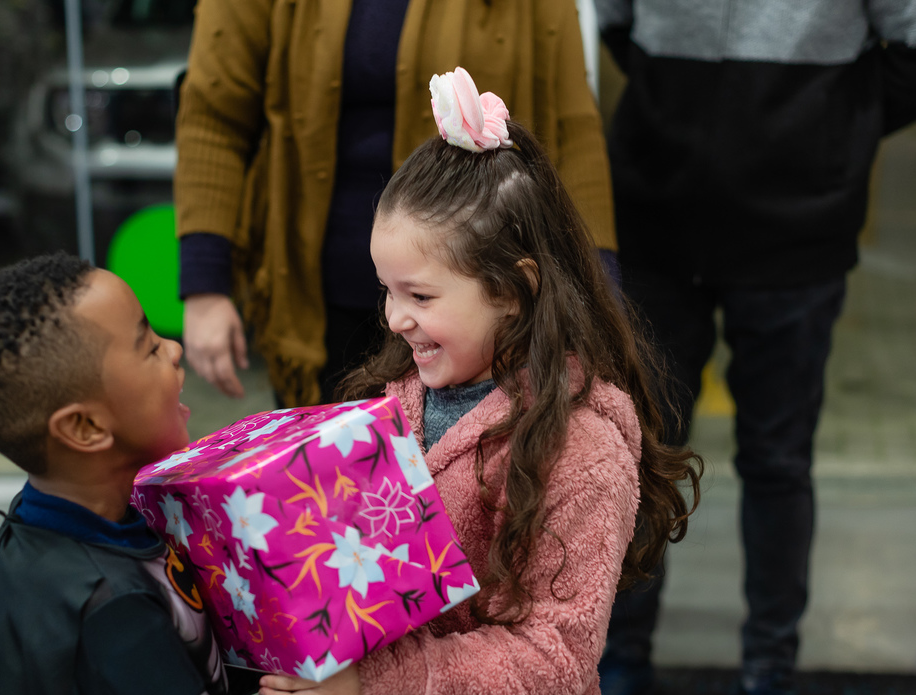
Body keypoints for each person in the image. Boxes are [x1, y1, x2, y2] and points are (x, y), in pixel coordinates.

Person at [253, 69, 701, 695]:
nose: (394, 318)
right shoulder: (392, 402)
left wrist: (373, 689)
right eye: (387, 290)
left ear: (515, 288)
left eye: (420, 296)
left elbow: (553, 654)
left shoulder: (582, 449)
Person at [593, 0, 916, 695]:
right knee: (631, 455)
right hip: (656, 221)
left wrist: (831, 132)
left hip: (798, 236)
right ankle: (619, 654)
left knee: (777, 463)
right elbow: (614, 24)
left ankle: (770, 679)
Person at [0, 253, 348, 695]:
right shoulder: (106, 608)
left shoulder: (59, 527)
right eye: (148, 346)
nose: (174, 348)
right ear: (85, 427)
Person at [174, 0, 618, 406]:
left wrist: (596, 291)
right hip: (316, 296)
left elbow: (572, 130)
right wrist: (205, 285)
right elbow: (214, 115)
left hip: (480, 305)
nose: (395, 321)